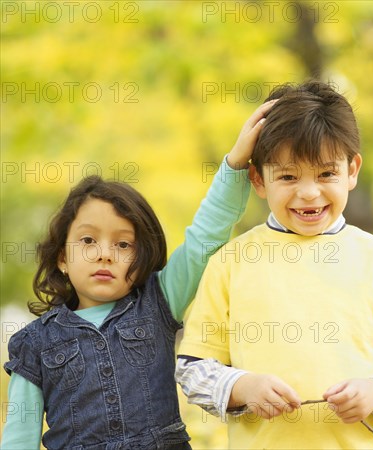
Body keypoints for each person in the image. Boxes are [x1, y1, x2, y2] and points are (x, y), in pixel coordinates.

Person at [175, 80, 373, 450]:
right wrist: (240, 387)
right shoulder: (231, 263)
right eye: (287, 176)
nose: (309, 193)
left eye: (326, 174)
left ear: (352, 170)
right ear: (258, 179)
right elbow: (193, 367)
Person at [1, 101, 276, 450]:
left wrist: (235, 164)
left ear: (142, 257)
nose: (104, 253)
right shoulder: (34, 343)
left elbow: (204, 239)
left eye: (123, 244)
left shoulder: (160, 301)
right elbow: (18, 438)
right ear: (62, 259)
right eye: (88, 240)